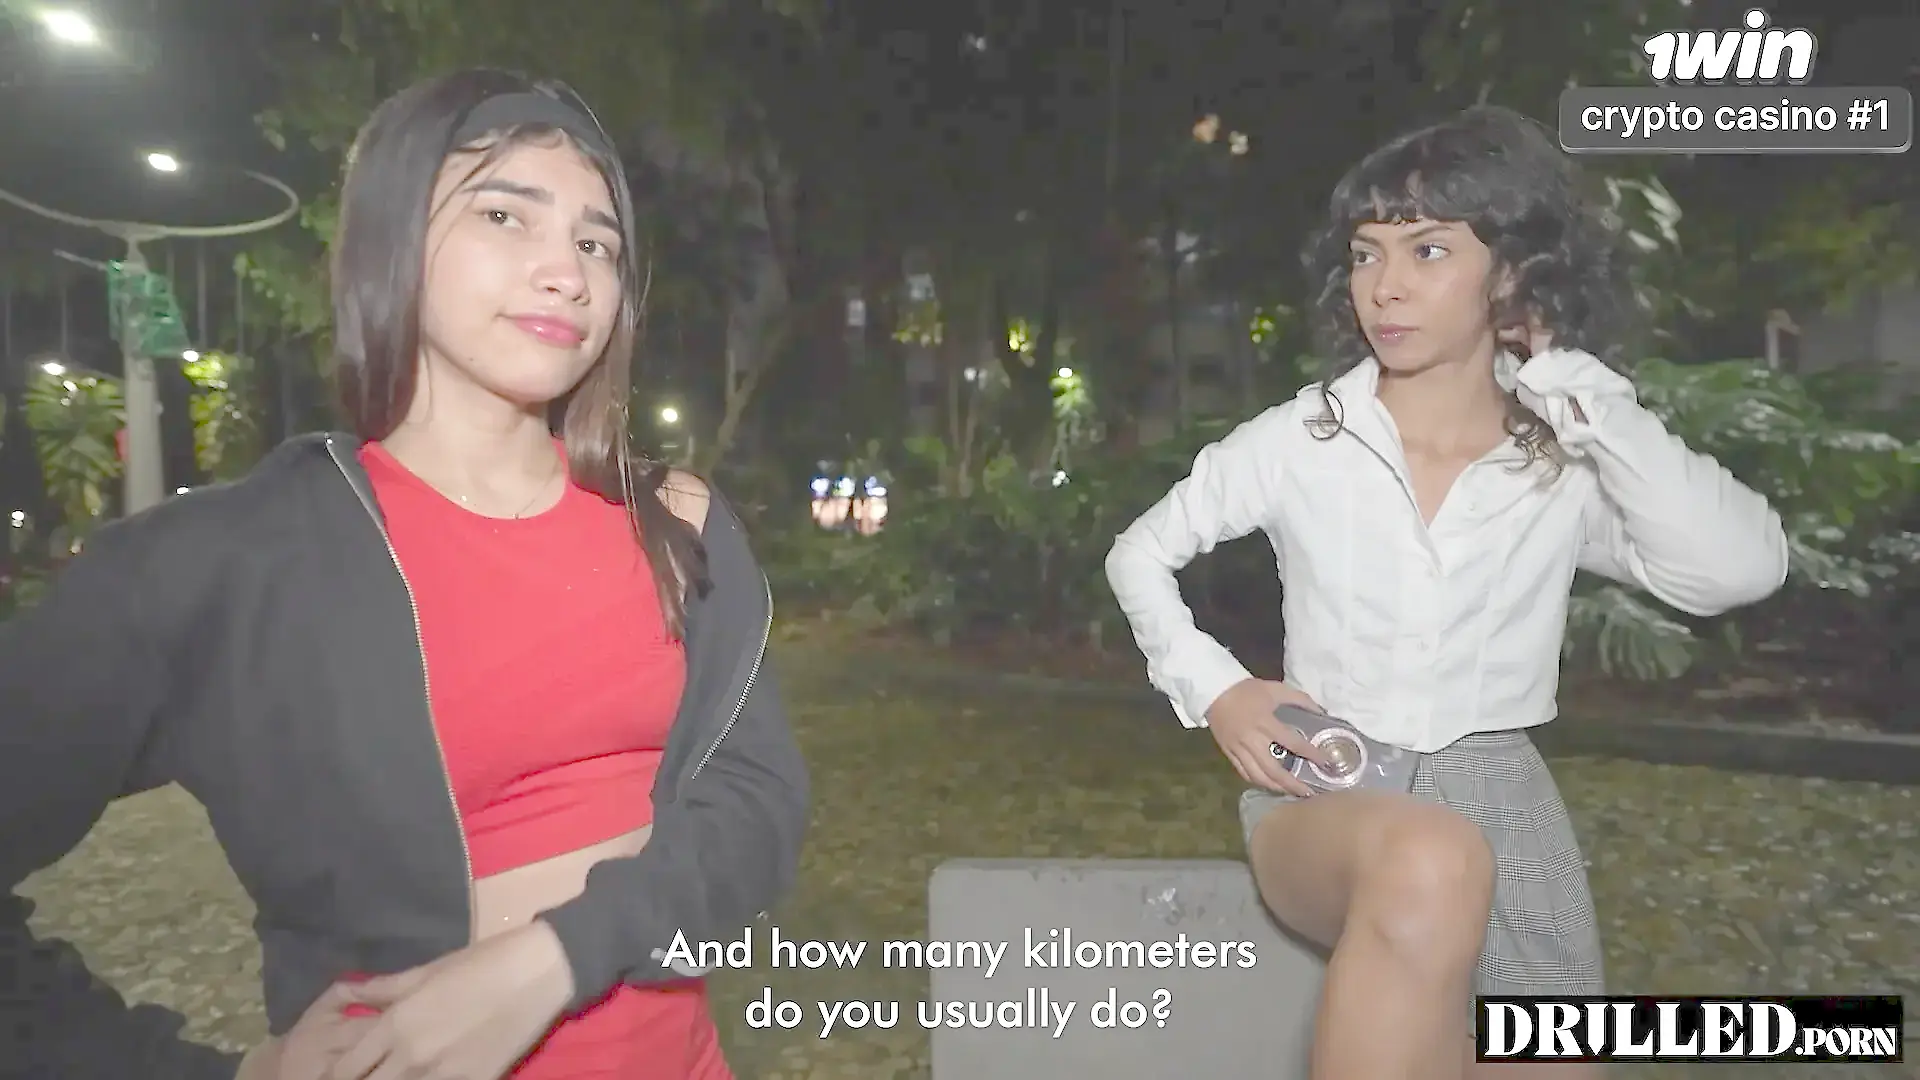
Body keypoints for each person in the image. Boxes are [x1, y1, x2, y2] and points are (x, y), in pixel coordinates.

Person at [0, 69, 809, 1080]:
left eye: (597, 244)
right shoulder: (230, 564)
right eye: (505, 214)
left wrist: (553, 959)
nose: (566, 271)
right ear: (392, 237)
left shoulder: (675, 523)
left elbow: (753, 804)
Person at [1104, 105, 1787, 1080]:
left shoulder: (1560, 458)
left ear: (1512, 273)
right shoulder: (1305, 438)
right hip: (1327, 790)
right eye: (1366, 254)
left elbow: (1738, 569)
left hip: (1507, 795)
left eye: (1427, 251)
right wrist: (1219, 690)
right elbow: (1140, 553)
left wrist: (1575, 387)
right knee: (1429, 856)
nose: (1384, 286)